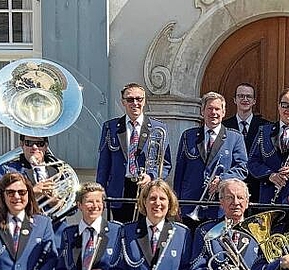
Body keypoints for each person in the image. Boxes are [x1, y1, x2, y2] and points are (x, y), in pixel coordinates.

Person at [96, 82, 172, 223]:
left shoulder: (158, 127)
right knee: (121, 229)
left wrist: (151, 176)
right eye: (130, 99)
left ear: (145, 101)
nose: (135, 103)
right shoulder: (110, 127)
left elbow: (166, 164)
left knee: (144, 231)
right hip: (119, 188)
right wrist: (99, 192)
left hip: (146, 188)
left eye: (139, 99)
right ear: (123, 102)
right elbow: (103, 164)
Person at [174, 91, 248, 230]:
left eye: (217, 109)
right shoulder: (188, 136)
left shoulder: (235, 138)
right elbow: (180, 171)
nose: (213, 112)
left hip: (221, 207)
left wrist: (222, 179)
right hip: (190, 203)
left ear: (224, 112)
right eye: (210, 109)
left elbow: (242, 168)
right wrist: (176, 202)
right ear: (202, 111)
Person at [0, 134, 71, 246]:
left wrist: (56, 201)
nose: (34, 147)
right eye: (29, 143)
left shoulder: (60, 169)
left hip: (56, 233)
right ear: (22, 144)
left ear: (46, 146)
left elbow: (74, 206)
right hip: (22, 232)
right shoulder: (8, 170)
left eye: (40, 143)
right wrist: (32, 193)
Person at [222, 83, 271, 201]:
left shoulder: (266, 127)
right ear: (235, 100)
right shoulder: (224, 127)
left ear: (254, 101)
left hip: (258, 185)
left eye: (248, 97)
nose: (245, 99)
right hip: (231, 186)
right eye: (241, 96)